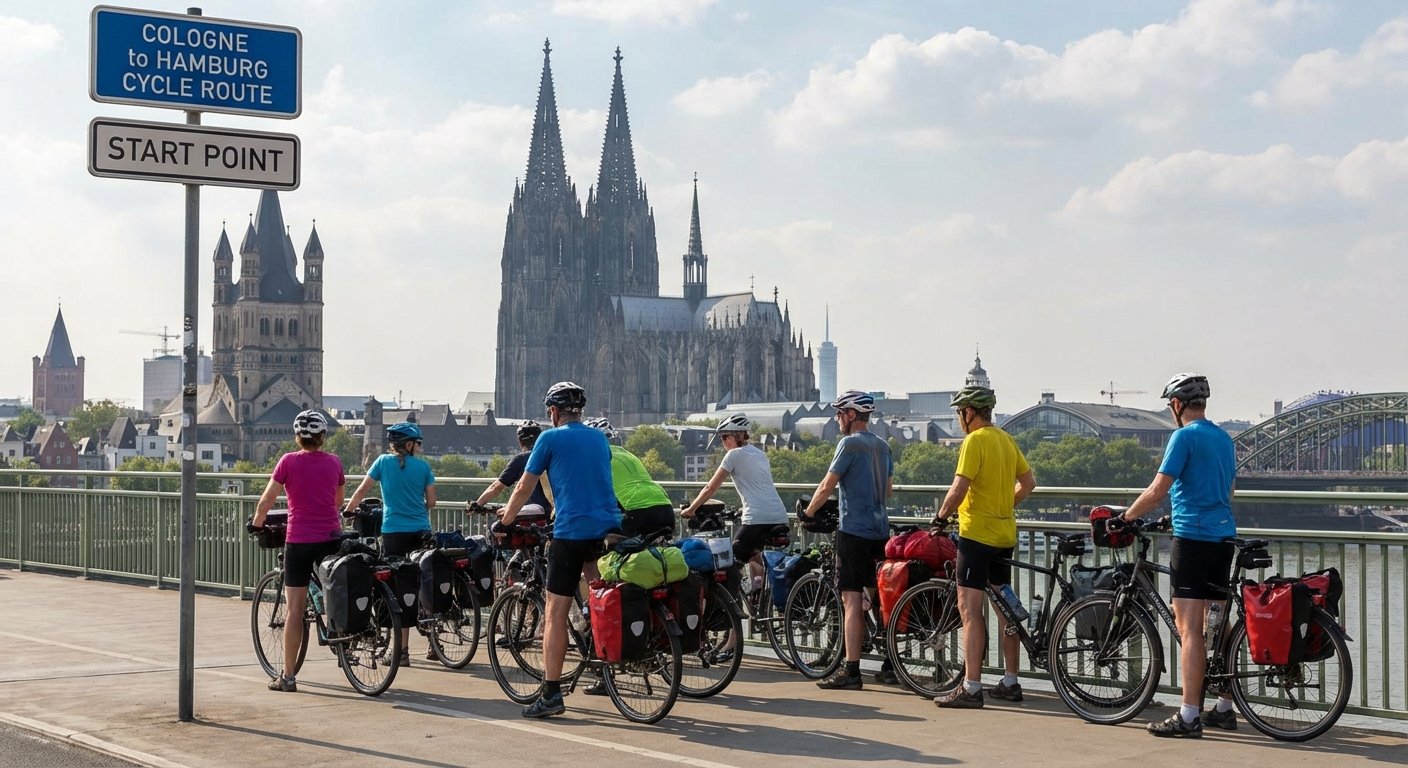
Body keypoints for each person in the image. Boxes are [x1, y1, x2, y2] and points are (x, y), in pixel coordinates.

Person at [1115, 372, 1236, 738]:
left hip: (1193, 540)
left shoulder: (1182, 437)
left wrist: (1126, 517)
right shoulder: (1224, 439)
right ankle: (1225, 706)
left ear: (1177, 405)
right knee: (1218, 621)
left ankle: (1188, 715)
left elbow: (1157, 489)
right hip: (1223, 537)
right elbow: (1227, 490)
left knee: (1190, 628)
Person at [499, 382, 619, 719]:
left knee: (555, 611)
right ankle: (602, 652)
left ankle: (551, 693)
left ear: (553, 412)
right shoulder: (598, 438)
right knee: (597, 591)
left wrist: (506, 520)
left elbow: (525, 485)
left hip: (573, 530)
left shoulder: (548, 438)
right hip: (608, 525)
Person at [932, 385, 1036, 709]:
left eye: (960, 411)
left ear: (970, 412)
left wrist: (939, 517)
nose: (960, 418)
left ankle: (972, 686)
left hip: (976, 536)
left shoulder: (974, 441)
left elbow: (958, 488)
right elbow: (1029, 483)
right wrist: (1007, 503)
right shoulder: (1006, 440)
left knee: (969, 611)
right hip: (1005, 535)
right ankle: (1010, 681)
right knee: (1004, 609)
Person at [799, 390, 893, 690]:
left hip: (854, 531)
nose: (837, 419)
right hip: (881, 531)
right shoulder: (883, 446)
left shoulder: (849, 444)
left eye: (840, 413)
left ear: (852, 415)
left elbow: (828, 484)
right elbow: (888, 491)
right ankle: (891, 663)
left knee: (851, 600)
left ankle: (852, 671)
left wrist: (809, 512)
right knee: (880, 598)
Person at [250, 410, 345, 693]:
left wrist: (257, 522)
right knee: (336, 590)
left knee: (294, 610)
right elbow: (338, 500)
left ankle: (288, 677)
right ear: (322, 437)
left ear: (297, 437)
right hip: (331, 537)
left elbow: (268, 498)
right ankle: (342, 636)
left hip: (300, 540)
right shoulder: (335, 463)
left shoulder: (288, 461)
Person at [345, 421, 436, 665]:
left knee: (398, 590)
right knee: (423, 582)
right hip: (422, 531)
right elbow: (432, 502)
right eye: (416, 443)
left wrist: (349, 509)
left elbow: (362, 490)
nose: (418, 447)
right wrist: (417, 509)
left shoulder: (383, 463)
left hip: (394, 532)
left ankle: (402, 652)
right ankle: (434, 643)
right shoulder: (424, 466)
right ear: (409, 444)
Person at [681, 413, 789, 595]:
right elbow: (758, 486)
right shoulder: (760, 454)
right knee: (754, 554)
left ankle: (731, 607)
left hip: (756, 519)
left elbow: (710, 487)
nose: (722, 442)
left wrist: (692, 509)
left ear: (737, 436)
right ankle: (759, 601)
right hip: (780, 516)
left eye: (725, 437)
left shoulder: (733, 455)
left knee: (728, 562)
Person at [585, 417, 675, 539]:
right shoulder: (629, 455)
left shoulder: (597, 458)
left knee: (618, 552)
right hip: (665, 506)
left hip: (636, 511)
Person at [473, 420, 552, 520]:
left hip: (532, 513)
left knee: (497, 528)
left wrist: (477, 504)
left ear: (520, 442)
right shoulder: (550, 456)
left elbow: (496, 487)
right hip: (553, 512)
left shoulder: (521, 459)